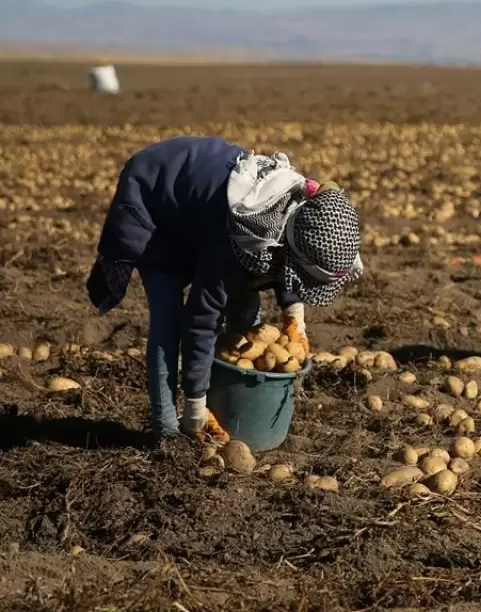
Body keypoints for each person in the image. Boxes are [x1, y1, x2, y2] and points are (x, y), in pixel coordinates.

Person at [85, 136, 364, 441]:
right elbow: (200, 320)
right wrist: (194, 407)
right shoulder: (235, 237)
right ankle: (165, 428)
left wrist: (295, 317)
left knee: (245, 305)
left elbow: (291, 263)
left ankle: (231, 402)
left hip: (199, 205)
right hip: (154, 197)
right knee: (169, 321)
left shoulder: (300, 212)